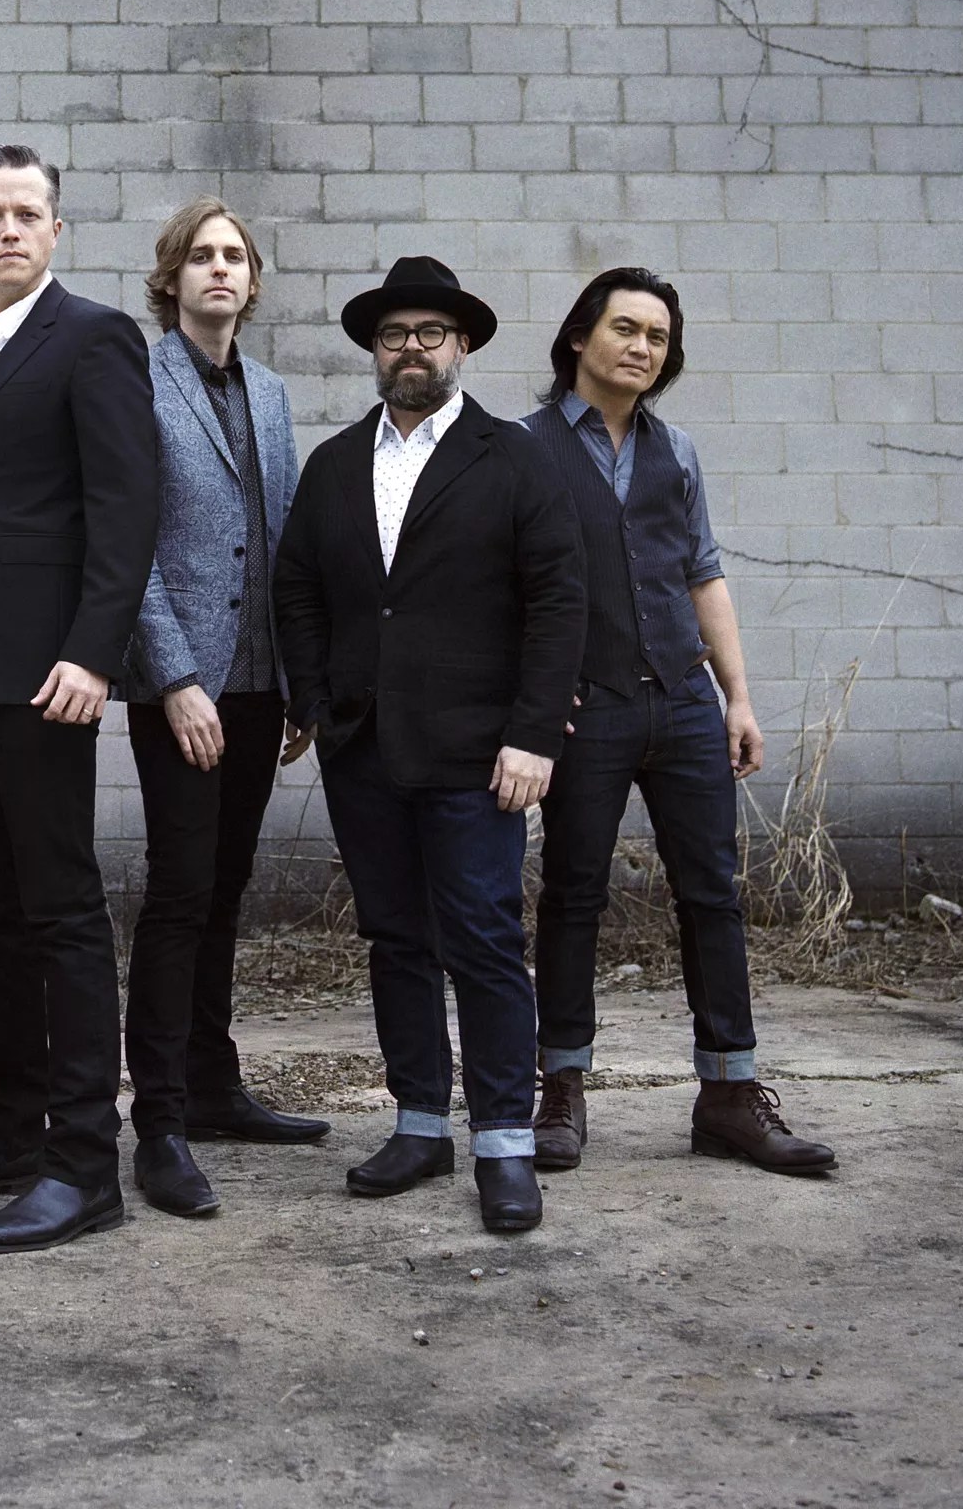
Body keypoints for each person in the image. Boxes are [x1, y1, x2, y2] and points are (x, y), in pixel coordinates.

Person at [274, 256, 585, 1235]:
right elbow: (296, 588)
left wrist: (532, 735)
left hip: (477, 754)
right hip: (363, 749)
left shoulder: (515, 459)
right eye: (393, 335)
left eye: (429, 333)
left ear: (462, 346)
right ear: (374, 351)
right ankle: (418, 1125)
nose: (411, 349)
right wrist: (313, 700)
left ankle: (504, 1142)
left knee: (482, 941)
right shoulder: (333, 464)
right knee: (395, 938)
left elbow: (557, 601)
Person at [0, 144, 159, 1254]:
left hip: (48, 675)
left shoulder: (94, 337)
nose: (9, 229)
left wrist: (93, 654)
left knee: (58, 909)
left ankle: (84, 1163)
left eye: (28, 213)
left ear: (56, 230)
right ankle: (3, 1130)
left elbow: (127, 505)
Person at [524, 268, 836, 1175]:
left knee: (713, 894)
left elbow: (703, 573)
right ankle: (561, 1089)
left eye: (657, 337)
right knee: (573, 893)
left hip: (685, 702)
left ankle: (730, 1097)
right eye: (625, 328)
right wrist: (533, 693)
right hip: (587, 710)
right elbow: (497, 585)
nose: (642, 347)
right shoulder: (521, 449)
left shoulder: (679, 452)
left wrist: (738, 698)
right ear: (579, 337)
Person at [120, 197, 326, 1220]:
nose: (217, 269)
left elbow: (282, 542)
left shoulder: (273, 394)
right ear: (172, 279)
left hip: (257, 686)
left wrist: (296, 681)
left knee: (227, 887)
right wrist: (172, 680)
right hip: (181, 691)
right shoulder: (139, 382)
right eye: (199, 256)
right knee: (179, 891)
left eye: (233, 256)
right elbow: (126, 544)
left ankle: (211, 1084)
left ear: (251, 281)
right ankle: (157, 1121)